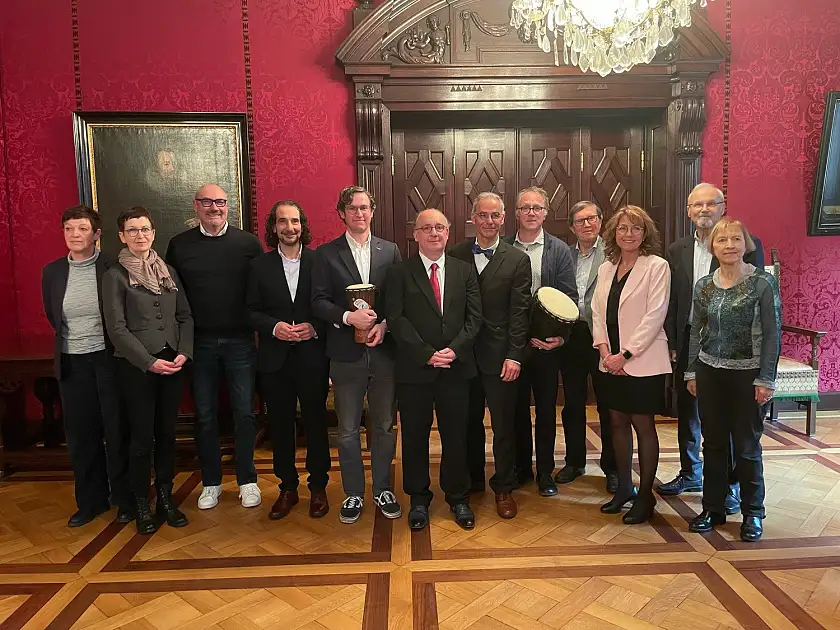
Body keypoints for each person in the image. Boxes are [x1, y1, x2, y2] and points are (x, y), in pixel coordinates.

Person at [658, 183, 765, 515]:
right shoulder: (676, 249)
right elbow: (672, 299)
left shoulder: (745, 244)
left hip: (733, 346)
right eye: (697, 204)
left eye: (711, 203)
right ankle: (690, 472)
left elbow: (759, 301)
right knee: (688, 410)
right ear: (688, 210)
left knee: (727, 423)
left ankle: (730, 487)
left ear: (722, 207)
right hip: (690, 339)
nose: (704, 209)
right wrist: (672, 342)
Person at [166, 184, 263, 511]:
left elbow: (261, 289)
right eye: (207, 202)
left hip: (240, 341)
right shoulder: (179, 245)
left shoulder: (248, 244)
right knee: (205, 415)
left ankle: (247, 480)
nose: (214, 207)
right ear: (196, 206)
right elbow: (172, 296)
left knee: (244, 413)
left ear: (227, 206)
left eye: (220, 202)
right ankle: (211, 482)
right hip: (200, 343)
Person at [385, 209, 482, 531]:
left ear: (448, 232)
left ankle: (458, 497)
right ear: (416, 235)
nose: (434, 233)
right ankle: (418, 498)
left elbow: (474, 318)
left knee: (457, 435)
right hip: (415, 370)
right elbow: (396, 319)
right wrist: (426, 354)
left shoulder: (464, 271)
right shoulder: (400, 272)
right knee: (414, 436)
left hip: (456, 368)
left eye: (440, 227)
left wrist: (454, 350)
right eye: (426, 228)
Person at [685, 218, 781, 542]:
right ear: (712, 246)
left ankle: (753, 512)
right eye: (722, 240)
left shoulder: (762, 283)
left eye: (735, 239)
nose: (729, 245)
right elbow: (696, 332)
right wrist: (691, 371)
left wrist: (766, 378)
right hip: (710, 373)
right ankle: (713, 508)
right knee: (712, 443)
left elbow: (772, 334)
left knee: (747, 446)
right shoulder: (703, 285)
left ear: (746, 244)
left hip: (748, 376)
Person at [311, 185, 402, 524]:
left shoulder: (390, 250)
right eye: (352, 208)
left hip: (383, 352)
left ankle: (382, 489)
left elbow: (398, 298)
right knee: (348, 429)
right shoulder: (326, 254)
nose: (359, 213)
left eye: (364, 207)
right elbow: (318, 301)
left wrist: (385, 325)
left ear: (372, 212)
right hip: (345, 354)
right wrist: (348, 317)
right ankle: (353, 493)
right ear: (342, 213)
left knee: (384, 426)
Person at [103, 207, 193, 535]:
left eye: (145, 229)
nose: (139, 235)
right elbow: (116, 328)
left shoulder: (168, 271)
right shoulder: (115, 276)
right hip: (136, 367)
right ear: (122, 236)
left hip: (172, 364)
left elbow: (184, 316)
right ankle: (141, 501)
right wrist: (147, 361)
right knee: (142, 437)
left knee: (167, 434)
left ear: (153, 233)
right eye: (133, 230)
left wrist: (184, 352)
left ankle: (166, 497)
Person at [41, 205, 132, 527]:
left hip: (108, 359)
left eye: (82, 229)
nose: (74, 235)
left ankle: (124, 499)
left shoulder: (113, 267)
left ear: (96, 235)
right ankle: (90, 502)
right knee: (81, 436)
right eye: (68, 229)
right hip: (72, 362)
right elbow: (53, 315)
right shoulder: (52, 272)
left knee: (116, 431)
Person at [246, 201, 330, 520]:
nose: (289, 227)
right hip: (274, 360)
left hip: (312, 356)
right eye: (282, 221)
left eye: (294, 221)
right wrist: (274, 327)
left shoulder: (320, 261)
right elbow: (250, 311)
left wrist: (315, 327)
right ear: (274, 227)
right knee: (280, 426)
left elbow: (331, 304)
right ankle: (287, 488)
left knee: (316, 423)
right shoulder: (259, 266)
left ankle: (318, 487)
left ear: (302, 225)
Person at [451, 192, 531, 519]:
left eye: (495, 215)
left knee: (503, 426)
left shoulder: (517, 260)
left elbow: (520, 314)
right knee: (467, 422)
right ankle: (472, 481)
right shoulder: (455, 254)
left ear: (503, 218)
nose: (488, 221)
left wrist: (515, 355)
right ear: (473, 218)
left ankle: (504, 487)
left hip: (501, 357)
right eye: (482, 215)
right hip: (464, 356)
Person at [591, 206, 670, 525]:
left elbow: (655, 315)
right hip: (609, 360)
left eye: (636, 228)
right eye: (623, 228)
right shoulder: (606, 268)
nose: (629, 234)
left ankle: (646, 495)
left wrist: (625, 355)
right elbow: (597, 312)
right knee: (617, 423)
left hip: (642, 361)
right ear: (613, 233)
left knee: (643, 426)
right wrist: (604, 351)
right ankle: (624, 487)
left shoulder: (657, 266)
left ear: (645, 233)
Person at [507, 187, 577, 497]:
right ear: (516, 213)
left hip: (547, 347)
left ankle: (545, 472)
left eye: (537, 207)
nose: (531, 213)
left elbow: (569, 297)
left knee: (546, 411)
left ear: (546, 213)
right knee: (517, 410)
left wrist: (561, 338)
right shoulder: (504, 247)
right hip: (514, 345)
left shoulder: (559, 250)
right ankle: (522, 468)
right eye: (525, 207)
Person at [562, 201, 617, 492]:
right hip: (573, 336)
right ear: (572, 227)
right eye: (580, 221)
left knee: (607, 403)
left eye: (592, 218)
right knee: (572, 402)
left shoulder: (614, 253)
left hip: (604, 336)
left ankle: (612, 467)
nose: (587, 224)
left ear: (600, 220)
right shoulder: (564, 255)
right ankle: (574, 461)